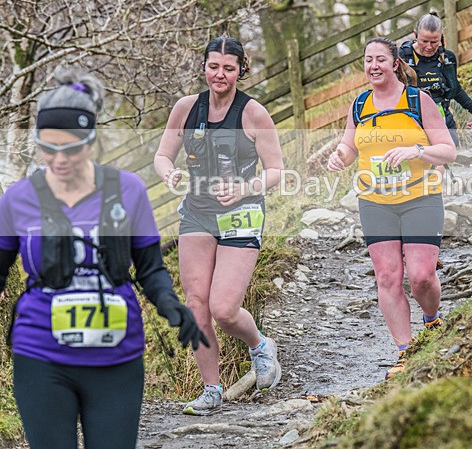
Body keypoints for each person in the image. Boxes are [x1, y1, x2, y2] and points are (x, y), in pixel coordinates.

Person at [0, 70, 207, 449]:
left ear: (91, 142)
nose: (59, 158)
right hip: (40, 354)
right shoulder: (18, 198)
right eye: (49, 147)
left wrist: (171, 306)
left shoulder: (127, 190)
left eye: (72, 147)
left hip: (117, 357)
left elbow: (149, 268)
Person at [154, 36, 284, 414]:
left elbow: (276, 170)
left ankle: (260, 346)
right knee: (196, 305)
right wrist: (170, 174)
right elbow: (163, 155)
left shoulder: (253, 113)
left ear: (241, 70)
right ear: (204, 67)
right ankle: (212, 390)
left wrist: (247, 187)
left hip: (241, 213)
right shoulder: (185, 108)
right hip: (196, 211)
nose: (220, 75)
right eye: (214, 66)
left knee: (224, 309)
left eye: (229, 68)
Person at [327, 37, 457, 379]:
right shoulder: (359, 104)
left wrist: (417, 151)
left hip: (420, 198)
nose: (373, 66)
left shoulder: (418, 100)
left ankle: (431, 320)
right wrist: (339, 157)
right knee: (387, 277)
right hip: (375, 202)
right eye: (368, 60)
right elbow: (349, 144)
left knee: (421, 277)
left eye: (381, 59)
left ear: (395, 63)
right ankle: (405, 351)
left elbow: (448, 150)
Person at [399, 13, 472, 148]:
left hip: (441, 116)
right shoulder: (402, 57)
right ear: (415, 34)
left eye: (434, 42)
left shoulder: (447, 58)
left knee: (451, 150)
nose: (429, 47)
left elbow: (455, 88)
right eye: (424, 41)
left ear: (441, 37)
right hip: (411, 119)